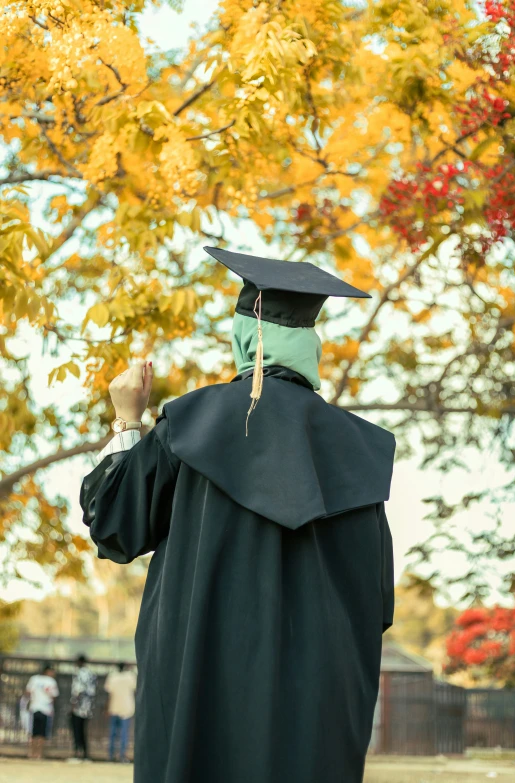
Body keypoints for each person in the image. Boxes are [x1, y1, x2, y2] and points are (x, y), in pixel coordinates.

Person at [80, 247, 395, 783]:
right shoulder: (359, 451)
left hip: (201, 685)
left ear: (246, 338)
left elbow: (113, 524)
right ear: (308, 345)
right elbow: (376, 603)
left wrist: (126, 421)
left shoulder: (192, 425)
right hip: (318, 704)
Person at [25, 663, 59, 759]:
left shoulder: (34, 679)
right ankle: (39, 753)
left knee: (34, 732)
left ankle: (32, 753)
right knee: (41, 733)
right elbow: (54, 696)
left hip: (35, 707)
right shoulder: (51, 681)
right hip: (45, 709)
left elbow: (28, 692)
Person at [104, 662, 137, 762]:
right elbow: (135, 688)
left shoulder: (112, 677)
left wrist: (107, 708)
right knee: (124, 733)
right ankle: (122, 756)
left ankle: (111, 756)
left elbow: (109, 694)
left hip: (114, 708)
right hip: (127, 708)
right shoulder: (130, 676)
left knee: (113, 733)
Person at [69, 654, 96, 761]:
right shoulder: (90, 673)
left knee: (77, 730)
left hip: (79, 707)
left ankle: (77, 753)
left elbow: (78, 691)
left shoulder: (80, 673)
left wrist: (73, 705)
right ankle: (84, 753)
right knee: (83, 731)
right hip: (87, 707)